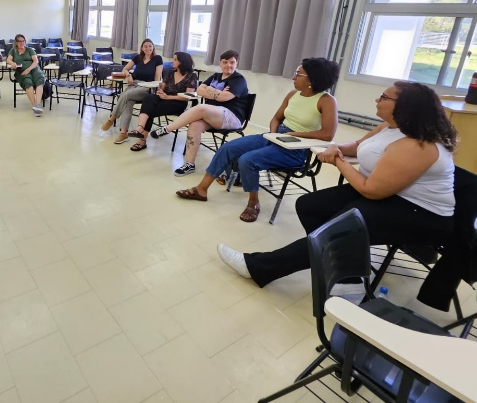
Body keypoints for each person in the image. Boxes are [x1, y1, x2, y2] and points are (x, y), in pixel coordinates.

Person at [217, 81, 457, 288]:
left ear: (405, 106)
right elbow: (359, 146)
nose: (377, 100)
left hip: (420, 214)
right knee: (310, 205)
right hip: (389, 194)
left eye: (384, 97)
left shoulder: (418, 144)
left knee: (336, 230)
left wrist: (338, 160)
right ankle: (338, 263)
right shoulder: (390, 127)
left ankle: (260, 268)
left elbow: (370, 190)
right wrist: (336, 147)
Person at [175, 57, 340, 223]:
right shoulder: (293, 94)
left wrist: (292, 135)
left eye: (298, 74)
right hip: (276, 136)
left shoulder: (326, 101)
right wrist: (275, 135)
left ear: (312, 79)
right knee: (228, 148)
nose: (293, 77)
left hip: (296, 149)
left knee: (247, 160)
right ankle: (201, 189)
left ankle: (253, 202)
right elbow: (276, 119)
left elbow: (327, 134)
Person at [149, 49, 249, 175]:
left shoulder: (238, 79)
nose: (228, 65)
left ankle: (168, 129)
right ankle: (189, 164)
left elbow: (224, 98)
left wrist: (209, 89)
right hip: (214, 116)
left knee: (202, 108)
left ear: (236, 63)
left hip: (232, 117)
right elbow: (199, 90)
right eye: (225, 62)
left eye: (232, 62)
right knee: (194, 124)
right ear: (220, 63)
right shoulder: (215, 76)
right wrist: (215, 91)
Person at [126, 52, 198, 152]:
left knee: (150, 111)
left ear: (183, 62)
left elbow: (187, 97)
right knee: (149, 98)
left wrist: (168, 97)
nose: (173, 61)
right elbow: (162, 88)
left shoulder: (191, 76)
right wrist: (160, 90)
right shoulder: (170, 72)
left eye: (175, 59)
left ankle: (141, 141)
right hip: (165, 98)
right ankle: (139, 128)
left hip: (178, 102)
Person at [101, 39, 163, 144]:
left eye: (150, 46)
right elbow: (125, 69)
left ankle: (112, 118)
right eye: (145, 46)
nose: (148, 48)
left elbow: (157, 78)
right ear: (142, 48)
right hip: (134, 84)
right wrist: (129, 75)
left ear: (153, 47)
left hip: (147, 87)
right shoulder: (138, 57)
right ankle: (123, 133)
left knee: (126, 95)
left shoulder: (157, 59)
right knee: (128, 102)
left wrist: (157, 90)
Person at [7, 34, 45, 116]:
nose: (21, 43)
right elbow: (8, 60)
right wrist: (12, 63)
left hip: (33, 69)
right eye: (19, 41)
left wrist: (28, 69)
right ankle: (34, 106)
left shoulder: (29, 50)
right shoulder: (13, 51)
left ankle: (38, 105)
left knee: (40, 79)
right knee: (28, 82)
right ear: (16, 42)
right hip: (21, 71)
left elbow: (35, 61)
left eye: (23, 41)